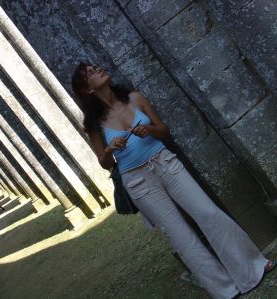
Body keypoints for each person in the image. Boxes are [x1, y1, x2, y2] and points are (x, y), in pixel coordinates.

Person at [71, 62, 275, 299]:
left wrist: (150, 131)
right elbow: (104, 162)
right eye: (90, 73)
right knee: (180, 236)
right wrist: (109, 151)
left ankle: (252, 269)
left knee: (208, 213)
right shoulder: (94, 124)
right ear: (87, 90)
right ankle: (225, 290)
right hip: (138, 181)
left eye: (95, 67)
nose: (97, 71)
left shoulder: (135, 98)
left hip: (165, 162)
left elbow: (164, 130)